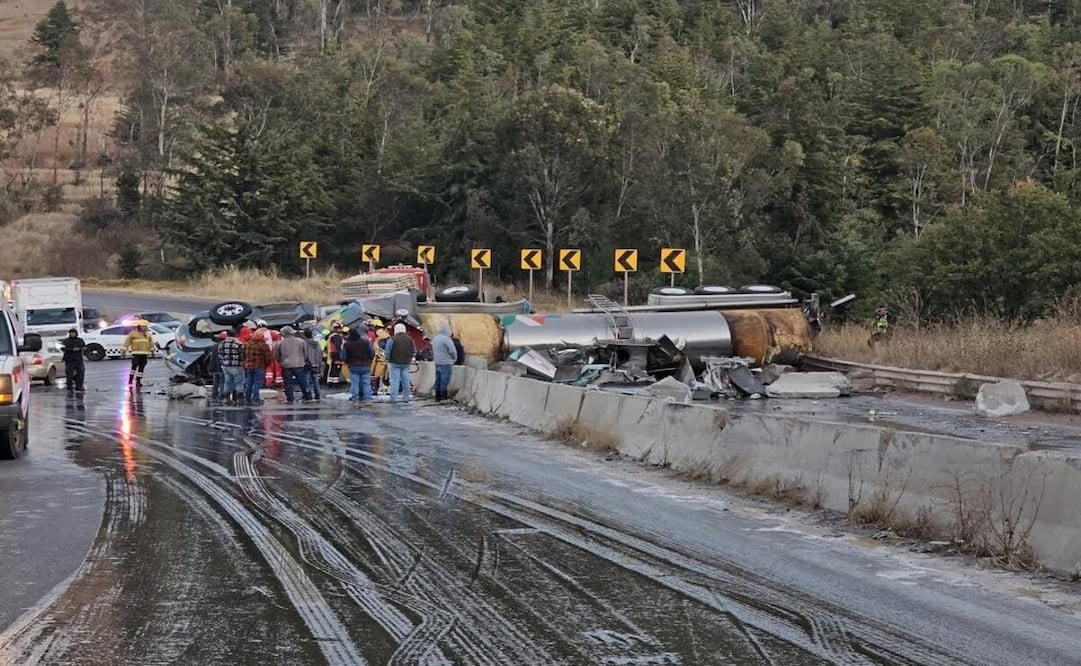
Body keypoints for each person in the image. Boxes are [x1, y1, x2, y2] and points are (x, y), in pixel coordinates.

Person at [275, 326, 314, 404]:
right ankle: (308, 397)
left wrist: (280, 361)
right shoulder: (301, 341)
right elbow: (305, 353)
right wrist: (303, 360)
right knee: (303, 382)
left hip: (286, 365)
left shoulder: (279, 343)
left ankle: (290, 398)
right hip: (299, 364)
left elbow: (276, 355)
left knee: (288, 383)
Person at [384, 323, 416, 403]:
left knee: (395, 381)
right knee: (406, 380)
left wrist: (387, 359)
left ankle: (393, 398)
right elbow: (414, 351)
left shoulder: (392, 339)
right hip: (406, 363)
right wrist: (410, 358)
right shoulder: (410, 339)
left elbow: (387, 351)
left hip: (394, 363)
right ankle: (406, 397)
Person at [341, 328, 375, 403]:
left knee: (354, 383)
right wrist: (369, 360)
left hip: (353, 366)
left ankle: (355, 397)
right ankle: (367, 398)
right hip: (365, 365)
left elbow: (343, 356)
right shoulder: (365, 342)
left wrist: (347, 362)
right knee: (366, 383)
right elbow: (372, 353)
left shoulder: (347, 344)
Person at [242, 328, 272, 406]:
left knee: (249, 383)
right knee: (257, 383)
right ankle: (255, 399)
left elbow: (243, 356)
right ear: (262, 336)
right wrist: (266, 365)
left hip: (249, 366)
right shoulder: (263, 345)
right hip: (259, 366)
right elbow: (268, 357)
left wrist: (245, 363)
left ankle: (247, 400)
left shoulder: (247, 344)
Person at [122, 319, 154, 389]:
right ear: (140, 326)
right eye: (144, 326)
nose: (146, 328)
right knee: (134, 366)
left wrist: (152, 350)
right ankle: (130, 379)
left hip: (144, 353)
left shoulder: (147, 334)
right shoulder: (133, 333)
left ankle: (138, 381)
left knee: (141, 367)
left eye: (146, 327)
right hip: (136, 353)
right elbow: (127, 341)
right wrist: (124, 350)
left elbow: (151, 343)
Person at [217, 329, 245, 405]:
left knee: (227, 382)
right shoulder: (238, 343)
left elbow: (220, 355)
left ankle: (226, 398)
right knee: (239, 382)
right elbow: (242, 355)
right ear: (235, 335)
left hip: (225, 366)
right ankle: (239, 398)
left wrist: (223, 363)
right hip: (237, 365)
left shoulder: (221, 344)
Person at [431, 326, 457, 402]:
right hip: (446, 362)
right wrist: (454, 358)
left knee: (438, 379)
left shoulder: (435, 339)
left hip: (437, 362)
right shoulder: (446, 339)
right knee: (445, 379)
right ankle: (443, 396)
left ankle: (437, 395)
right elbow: (452, 351)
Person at [60, 327, 85, 392]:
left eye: (73, 333)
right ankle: (69, 386)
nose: (72, 334)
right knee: (70, 374)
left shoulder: (80, 340)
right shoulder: (66, 341)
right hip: (69, 360)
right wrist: (71, 349)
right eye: (71, 333)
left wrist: (80, 348)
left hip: (79, 359)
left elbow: (84, 346)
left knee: (81, 372)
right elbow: (62, 348)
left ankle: (79, 386)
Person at [302, 328, 322, 402]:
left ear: (305, 336)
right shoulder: (317, 344)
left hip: (307, 364)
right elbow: (320, 354)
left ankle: (308, 394)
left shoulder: (305, 343)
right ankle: (317, 394)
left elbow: (305, 354)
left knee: (306, 381)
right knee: (315, 381)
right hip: (316, 364)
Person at [207, 331, 227, 401]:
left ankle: (214, 395)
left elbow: (212, 358)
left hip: (215, 368)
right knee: (222, 382)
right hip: (223, 368)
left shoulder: (214, 347)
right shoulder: (225, 347)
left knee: (215, 383)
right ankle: (221, 395)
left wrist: (211, 368)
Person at [325, 321, 346, 385]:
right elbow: (338, 345)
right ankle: (335, 382)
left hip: (332, 353)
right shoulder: (336, 336)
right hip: (336, 353)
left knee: (333, 367)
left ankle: (331, 381)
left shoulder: (331, 336)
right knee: (336, 367)